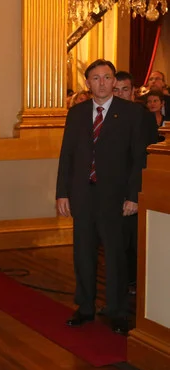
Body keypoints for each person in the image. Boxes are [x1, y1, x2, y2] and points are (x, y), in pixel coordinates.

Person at [56, 59, 148, 335]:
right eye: (95, 78)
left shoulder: (131, 113)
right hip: (83, 195)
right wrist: (62, 193)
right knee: (82, 254)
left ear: (113, 80)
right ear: (88, 83)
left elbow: (138, 159)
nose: (102, 83)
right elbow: (67, 156)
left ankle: (118, 311)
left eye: (106, 77)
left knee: (116, 256)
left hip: (115, 198)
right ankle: (85, 307)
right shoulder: (77, 113)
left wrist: (134, 196)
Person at [112, 71, 160, 296]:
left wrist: (135, 193)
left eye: (125, 90)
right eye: (116, 90)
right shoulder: (105, 115)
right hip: (110, 190)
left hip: (135, 189)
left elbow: (144, 157)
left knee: (135, 244)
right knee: (114, 245)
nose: (120, 94)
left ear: (133, 92)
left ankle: (135, 288)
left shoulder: (144, 117)